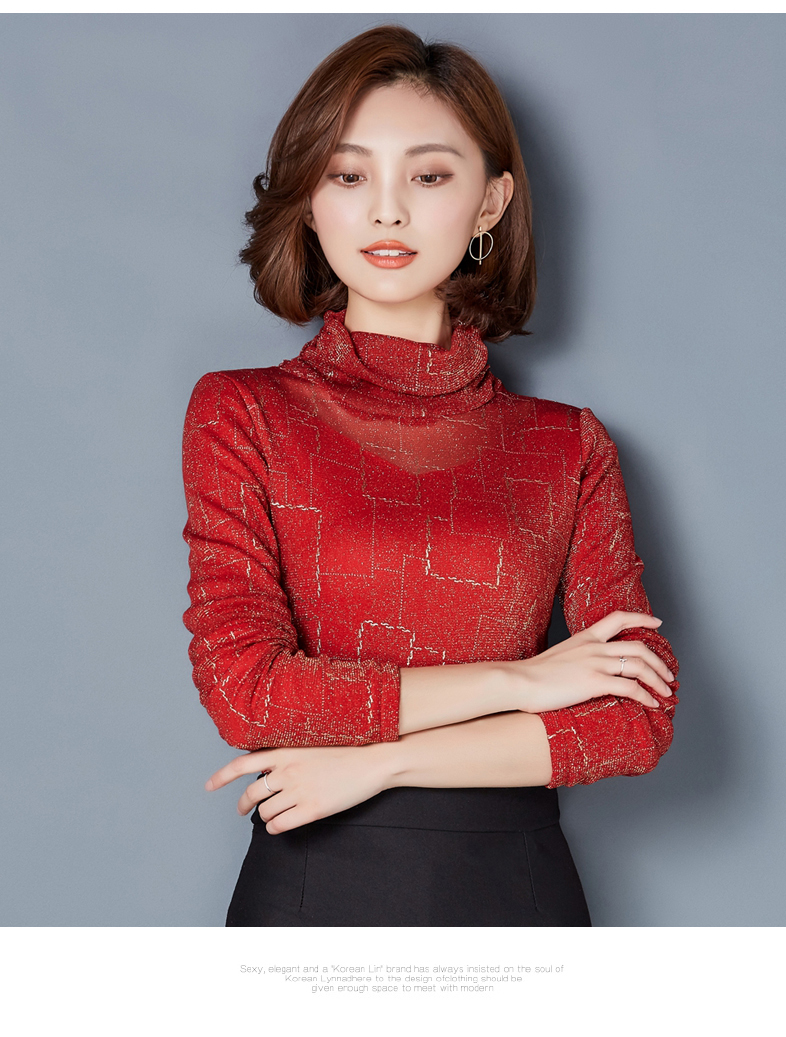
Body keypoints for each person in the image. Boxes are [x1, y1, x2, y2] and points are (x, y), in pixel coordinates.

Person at [181, 24, 679, 927]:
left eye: (429, 176)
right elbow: (249, 688)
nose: (386, 211)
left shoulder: (566, 445)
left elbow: (635, 717)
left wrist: (384, 762)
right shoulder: (243, 412)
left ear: (491, 203)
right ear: (309, 202)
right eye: (348, 175)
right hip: (313, 895)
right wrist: (518, 683)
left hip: (518, 897)